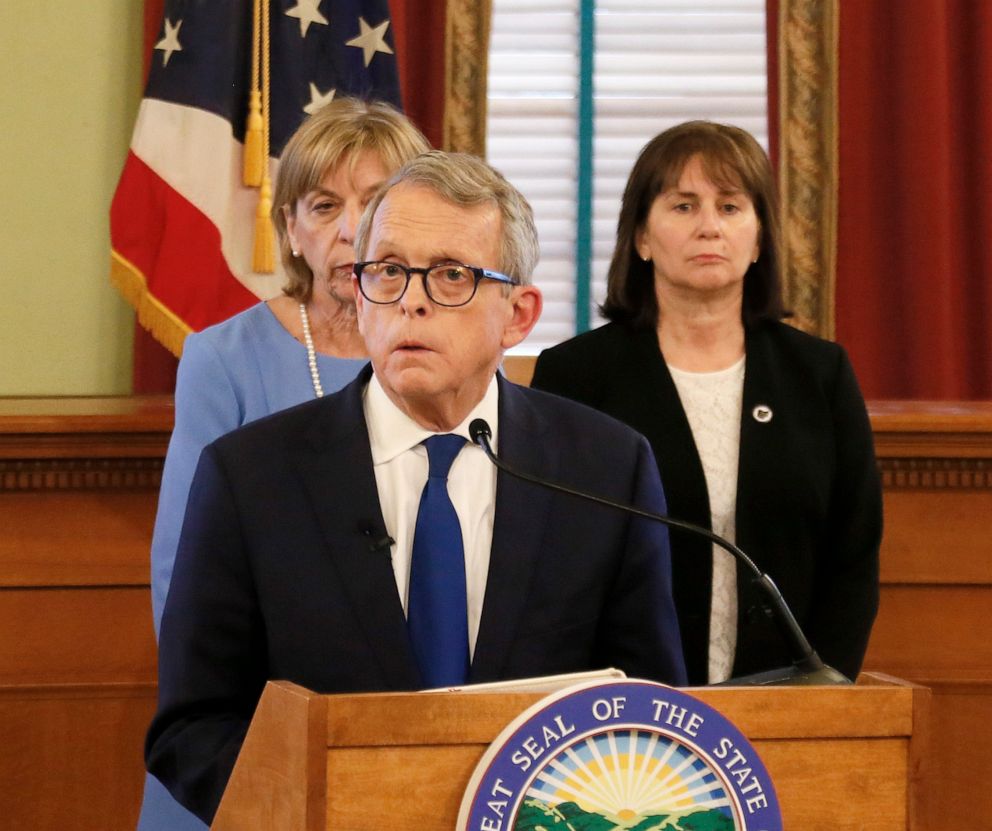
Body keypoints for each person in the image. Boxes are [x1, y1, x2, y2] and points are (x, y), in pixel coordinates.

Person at [145, 151, 687, 823]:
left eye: (452, 274)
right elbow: (194, 724)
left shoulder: (605, 468)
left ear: (518, 313)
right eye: (390, 271)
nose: (413, 299)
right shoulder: (252, 476)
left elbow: (651, 710)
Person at [137, 98, 429, 831]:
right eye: (324, 204)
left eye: (375, 201)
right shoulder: (223, 359)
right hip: (251, 736)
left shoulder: (443, 354)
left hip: (412, 726)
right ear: (291, 228)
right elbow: (181, 569)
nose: (349, 227)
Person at [531, 121, 881, 686]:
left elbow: (854, 556)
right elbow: (550, 560)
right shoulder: (577, 376)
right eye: (684, 206)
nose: (710, 227)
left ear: (760, 236)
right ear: (642, 237)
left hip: (793, 702)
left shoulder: (819, 376)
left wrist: (825, 689)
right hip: (622, 703)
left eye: (731, 206)